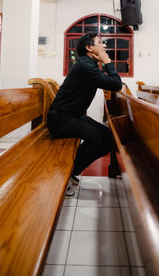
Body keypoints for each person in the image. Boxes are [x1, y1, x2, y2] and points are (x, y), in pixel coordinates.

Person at [47, 32, 126, 196]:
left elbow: (114, 83)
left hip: (72, 116)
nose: (103, 46)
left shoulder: (87, 65)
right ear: (89, 48)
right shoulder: (85, 66)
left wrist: (112, 76)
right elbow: (116, 84)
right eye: (99, 43)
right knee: (101, 140)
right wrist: (108, 62)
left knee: (107, 135)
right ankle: (66, 173)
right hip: (61, 119)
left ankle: (71, 170)